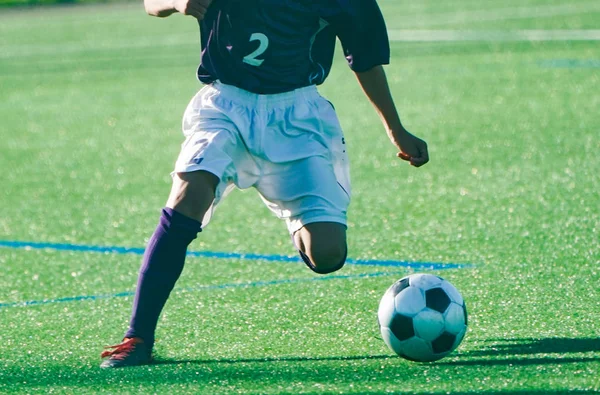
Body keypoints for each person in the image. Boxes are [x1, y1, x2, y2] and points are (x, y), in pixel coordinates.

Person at [100, 0, 429, 368]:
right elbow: (151, 3)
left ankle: (297, 216)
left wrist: (395, 129)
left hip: (298, 117)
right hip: (224, 105)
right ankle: (137, 337)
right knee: (187, 197)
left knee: (328, 255)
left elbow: (364, 56)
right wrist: (178, 2)